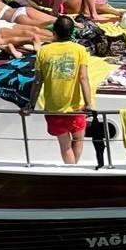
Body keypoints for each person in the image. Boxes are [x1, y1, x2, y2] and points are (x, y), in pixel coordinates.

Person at [33, 16, 93, 166]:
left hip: (53, 109)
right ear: (72, 32)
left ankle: (71, 171)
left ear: (54, 32)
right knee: (78, 140)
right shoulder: (80, 50)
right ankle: (73, 172)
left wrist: (31, 103)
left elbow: (37, 81)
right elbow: (83, 78)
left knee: (65, 146)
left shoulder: (43, 51)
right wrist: (88, 103)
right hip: (75, 108)